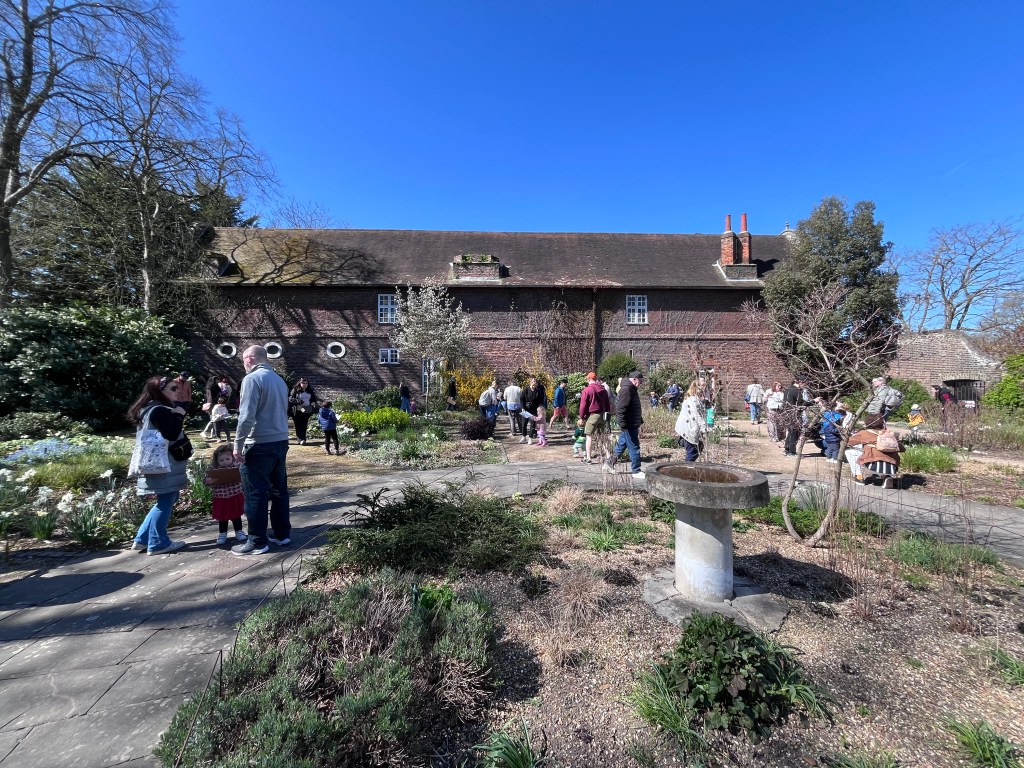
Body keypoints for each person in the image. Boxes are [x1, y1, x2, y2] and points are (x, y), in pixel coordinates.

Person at [233, 345, 291, 555]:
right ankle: (282, 534)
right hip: (280, 440)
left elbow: (246, 416)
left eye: (243, 360)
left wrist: (238, 444)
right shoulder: (279, 380)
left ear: (249, 358)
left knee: (255, 493)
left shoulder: (252, 379)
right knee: (279, 491)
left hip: (258, 443)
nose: (243, 364)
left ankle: (257, 541)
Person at [127, 375, 189, 555]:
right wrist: (179, 415)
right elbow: (172, 433)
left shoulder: (148, 409)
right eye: (173, 388)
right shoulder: (159, 410)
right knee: (166, 501)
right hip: (164, 463)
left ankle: (142, 539)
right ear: (159, 391)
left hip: (156, 462)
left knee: (168, 499)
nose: (178, 391)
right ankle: (158, 543)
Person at [204, 444, 247, 545]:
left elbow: (244, 473)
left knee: (236, 515)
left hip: (235, 495)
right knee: (222, 517)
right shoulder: (213, 469)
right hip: (220, 497)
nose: (225, 462)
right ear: (216, 460)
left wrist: (239, 466)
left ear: (232, 458)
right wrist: (208, 481)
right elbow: (205, 481)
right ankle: (222, 533)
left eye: (227, 459)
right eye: (221, 460)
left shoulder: (235, 466)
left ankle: (239, 531)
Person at [606, 370, 645, 479]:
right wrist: (623, 424)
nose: (641, 383)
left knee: (621, 445)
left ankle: (609, 463)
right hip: (629, 424)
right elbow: (620, 408)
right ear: (635, 379)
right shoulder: (627, 390)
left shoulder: (630, 389)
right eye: (640, 381)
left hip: (630, 423)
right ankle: (636, 470)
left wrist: (639, 420)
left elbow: (632, 407)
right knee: (634, 446)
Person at [846, 414, 902, 487]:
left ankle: (858, 477)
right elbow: (902, 448)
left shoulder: (864, 433)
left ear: (867, 423)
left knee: (849, 452)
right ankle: (886, 477)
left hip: (873, 464)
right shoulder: (889, 434)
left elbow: (848, 442)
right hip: (892, 466)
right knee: (882, 457)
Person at [579, 372, 611, 463]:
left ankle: (588, 458)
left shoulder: (587, 390)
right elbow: (607, 403)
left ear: (588, 379)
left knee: (589, 436)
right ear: (595, 379)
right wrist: (607, 412)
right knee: (602, 436)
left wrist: (582, 416)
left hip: (592, 415)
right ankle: (608, 455)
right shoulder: (603, 389)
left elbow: (583, 405)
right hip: (602, 415)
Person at [675, 380, 706, 462]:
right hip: (689, 429)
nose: (704, 388)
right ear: (697, 388)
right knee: (693, 451)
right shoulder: (693, 400)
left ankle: (688, 465)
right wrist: (705, 429)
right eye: (703, 385)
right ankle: (686, 467)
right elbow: (697, 415)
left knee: (698, 447)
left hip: (688, 428)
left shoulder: (693, 398)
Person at [782, 378, 809, 457]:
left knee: (790, 432)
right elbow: (802, 403)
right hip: (795, 414)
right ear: (800, 382)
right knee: (794, 433)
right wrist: (814, 401)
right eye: (804, 383)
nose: (805, 385)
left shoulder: (787, 389)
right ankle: (792, 452)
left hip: (787, 413)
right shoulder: (796, 391)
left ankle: (787, 450)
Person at [288, 378, 319, 445]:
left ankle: (303, 439)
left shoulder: (310, 391)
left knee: (304, 424)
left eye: (306, 383)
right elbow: (290, 398)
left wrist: (313, 403)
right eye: (303, 383)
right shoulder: (295, 390)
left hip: (307, 409)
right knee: (298, 424)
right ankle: (300, 439)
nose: (304, 385)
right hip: (298, 410)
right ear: (300, 383)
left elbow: (313, 399)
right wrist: (298, 401)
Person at [519, 377, 547, 443]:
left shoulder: (537, 391)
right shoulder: (526, 389)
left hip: (534, 409)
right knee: (524, 423)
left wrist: (540, 408)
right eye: (533, 382)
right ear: (530, 382)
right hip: (526, 409)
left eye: (535, 382)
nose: (534, 383)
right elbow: (522, 399)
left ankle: (530, 438)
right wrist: (523, 407)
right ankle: (524, 436)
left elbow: (540, 400)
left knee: (533, 423)